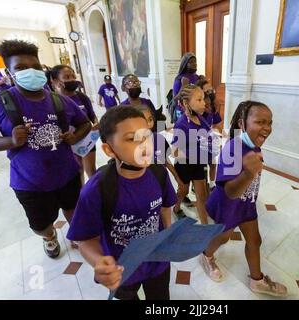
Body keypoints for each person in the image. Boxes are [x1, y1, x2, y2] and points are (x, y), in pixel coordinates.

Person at [0, 40, 92, 258]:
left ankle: (76, 235)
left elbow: (85, 124)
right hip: (29, 182)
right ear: (9, 72)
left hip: (67, 174)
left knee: (74, 209)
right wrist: (10, 141)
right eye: (21, 68)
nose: (30, 72)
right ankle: (49, 237)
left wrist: (74, 137)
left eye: (34, 66)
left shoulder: (59, 100)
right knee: (40, 224)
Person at [67, 106, 177, 300]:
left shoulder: (159, 173)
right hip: (122, 266)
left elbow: (165, 207)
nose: (144, 144)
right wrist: (99, 261)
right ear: (109, 149)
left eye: (147, 135)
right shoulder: (97, 189)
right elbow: (85, 239)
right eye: (131, 138)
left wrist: (167, 234)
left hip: (157, 260)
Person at [200, 100, 288, 297]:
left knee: (254, 240)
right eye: (260, 122)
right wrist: (247, 174)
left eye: (270, 122)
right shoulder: (233, 148)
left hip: (246, 205)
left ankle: (257, 280)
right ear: (242, 124)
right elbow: (230, 192)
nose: (267, 128)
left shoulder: (255, 147)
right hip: (228, 206)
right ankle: (206, 256)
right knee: (222, 238)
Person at [171, 84, 220, 224]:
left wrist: (213, 142)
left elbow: (207, 134)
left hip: (198, 165)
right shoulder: (181, 124)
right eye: (199, 100)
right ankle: (176, 207)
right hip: (184, 166)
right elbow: (175, 152)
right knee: (183, 191)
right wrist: (195, 153)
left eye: (203, 99)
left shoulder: (201, 118)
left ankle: (205, 225)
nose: (204, 103)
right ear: (186, 103)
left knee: (202, 196)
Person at [51, 64, 99, 179]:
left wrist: (96, 125)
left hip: (86, 139)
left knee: (91, 171)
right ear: (56, 81)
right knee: (77, 171)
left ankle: (94, 193)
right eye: (67, 77)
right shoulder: (53, 100)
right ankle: (80, 192)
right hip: (68, 142)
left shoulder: (82, 97)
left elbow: (92, 116)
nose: (72, 79)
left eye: (73, 76)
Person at [196, 78, 222, 190]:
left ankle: (212, 184)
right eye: (207, 92)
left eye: (211, 91)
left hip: (209, 141)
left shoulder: (212, 107)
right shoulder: (197, 109)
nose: (210, 94)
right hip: (197, 142)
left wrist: (217, 137)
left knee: (213, 163)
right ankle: (197, 185)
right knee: (200, 168)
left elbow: (217, 124)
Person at [171, 53, 201, 122]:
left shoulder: (197, 77)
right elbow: (174, 100)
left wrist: (203, 83)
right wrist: (183, 86)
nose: (194, 63)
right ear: (184, 64)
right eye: (191, 62)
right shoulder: (179, 78)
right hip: (182, 112)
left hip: (195, 111)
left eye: (195, 61)